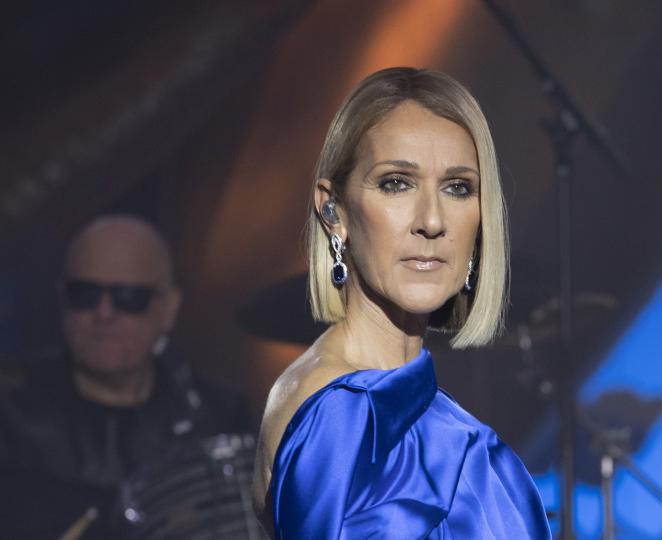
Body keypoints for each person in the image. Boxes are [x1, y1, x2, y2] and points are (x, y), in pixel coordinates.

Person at [253, 67, 551, 539]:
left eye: (458, 188)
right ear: (334, 211)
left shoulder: (410, 406)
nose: (432, 221)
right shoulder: (346, 413)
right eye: (396, 183)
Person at [0, 215, 252, 539]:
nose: (104, 313)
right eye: (84, 294)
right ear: (61, 297)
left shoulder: (218, 415)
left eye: (129, 298)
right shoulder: (10, 411)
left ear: (169, 308)